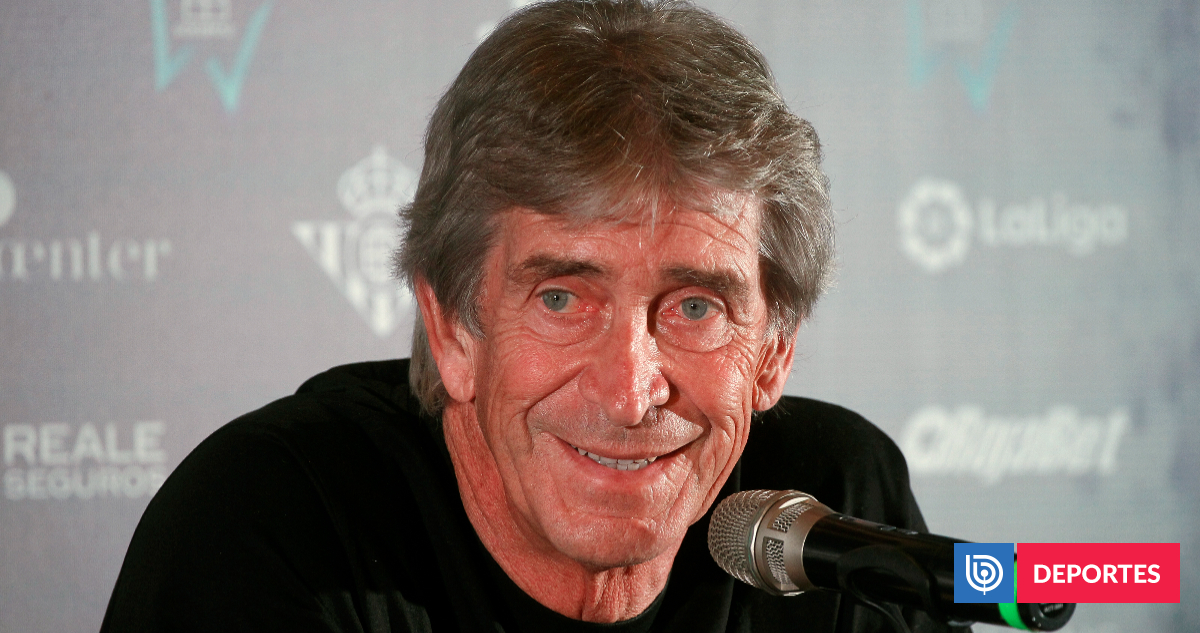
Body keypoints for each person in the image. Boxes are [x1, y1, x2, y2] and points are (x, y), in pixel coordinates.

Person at [102, 1, 958, 631]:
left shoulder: (832, 512)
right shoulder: (267, 525)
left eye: (695, 307)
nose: (629, 393)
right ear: (452, 328)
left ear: (773, 351)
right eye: (562, 299)